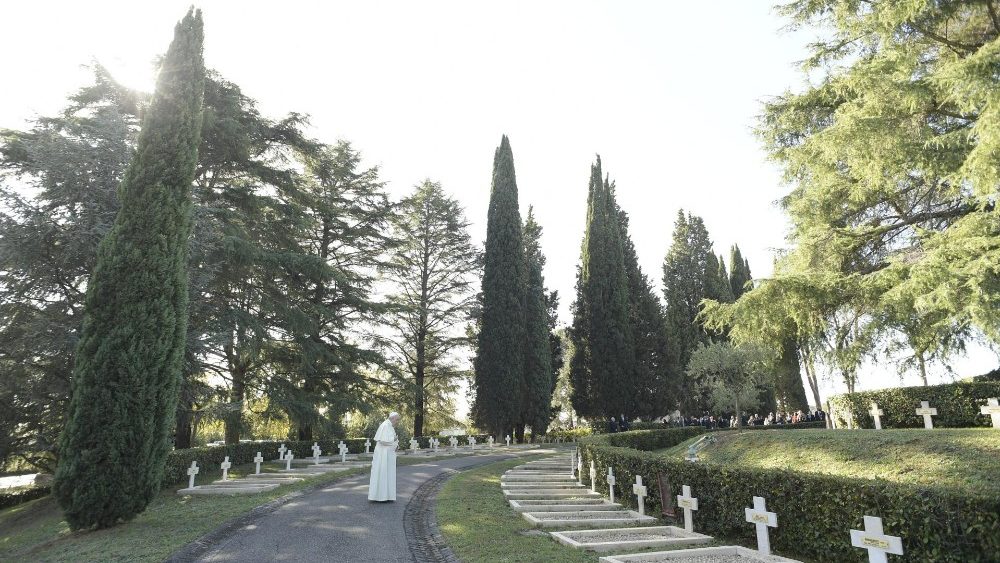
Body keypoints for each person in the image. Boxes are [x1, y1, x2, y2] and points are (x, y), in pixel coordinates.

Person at [368, 412, 400, 502]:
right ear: (393, 418)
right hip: (383, 455)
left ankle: (388, 496)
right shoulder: (385, 425)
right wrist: (393, 440)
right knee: (382, 473)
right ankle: (380, 496)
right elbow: (382, 440)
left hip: (388, 455)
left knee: (388, 474)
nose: (398, 422)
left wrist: (396, 445)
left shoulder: (390, 426)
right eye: (397, 419)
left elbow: (394, 439)